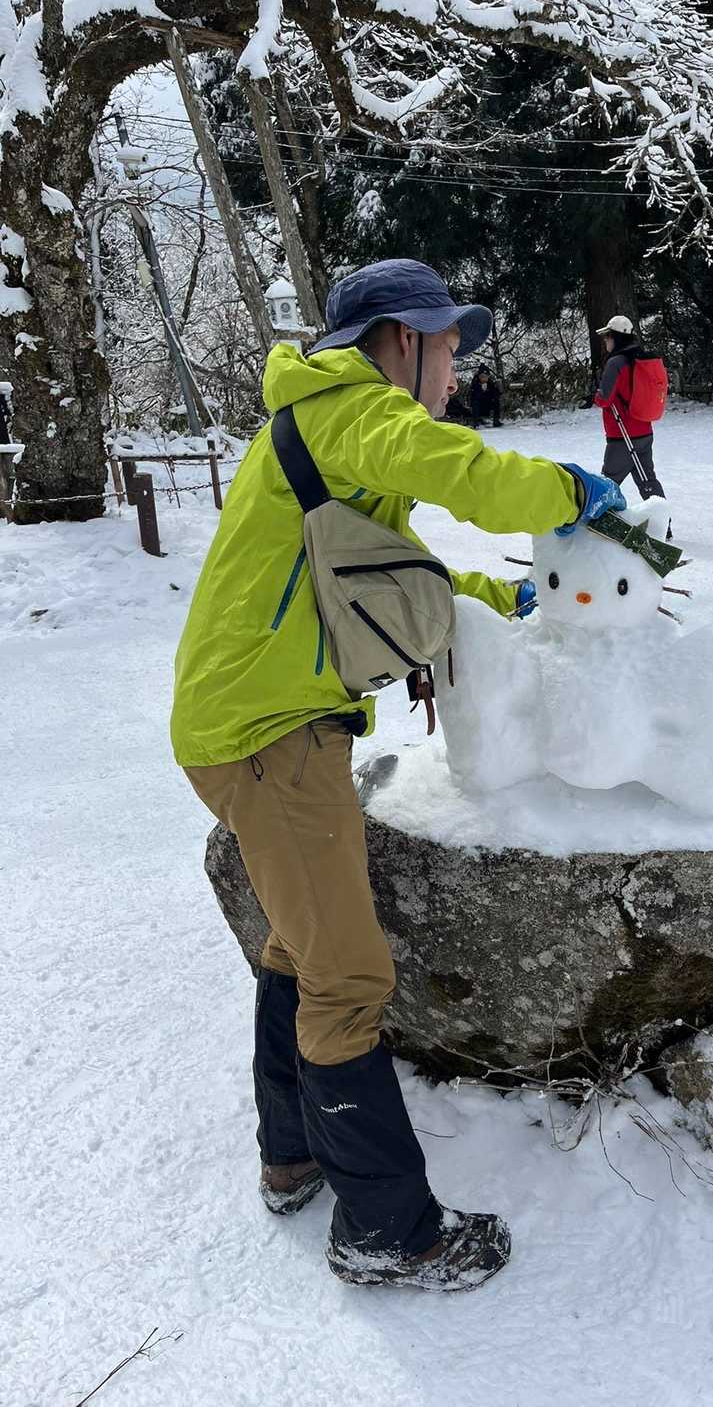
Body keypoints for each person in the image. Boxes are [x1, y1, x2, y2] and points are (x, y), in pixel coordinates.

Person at [171, 259, 625, 1294]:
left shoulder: (326, 430)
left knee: (299, 947)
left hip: (248, 724)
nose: (456, 370)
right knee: (347, 977)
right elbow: (462, 471)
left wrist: (491, 600)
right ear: (399, 340)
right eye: (448, 346)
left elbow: (385, 567)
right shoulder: (350, 409)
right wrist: (570, 493)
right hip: (270, 736)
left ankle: (292, 1156)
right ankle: (386, 1231)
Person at [593, 314, 665, 501]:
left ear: (615, 337)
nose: (605, 341)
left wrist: (595, 395)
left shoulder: (616, 362)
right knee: (648, 481)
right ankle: (662, 517)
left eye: (607, 336)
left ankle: (598, 517)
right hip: (644, 432)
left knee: (606, 485)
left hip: (623, 435)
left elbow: (604, 398)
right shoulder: (640, 359)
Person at [468, 363, 503, 427]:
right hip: (478, 406)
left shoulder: (490, 383)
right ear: (479, 376)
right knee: (475, 403)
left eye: (486, 376)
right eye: (482, 376)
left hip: (487, 404)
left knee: (496, 402)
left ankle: (496, 420)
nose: (484, 378)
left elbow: (496, 394)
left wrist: (498, 390)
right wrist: (481, 389)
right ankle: (475, 422)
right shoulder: (475, 383)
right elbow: (473, 396)